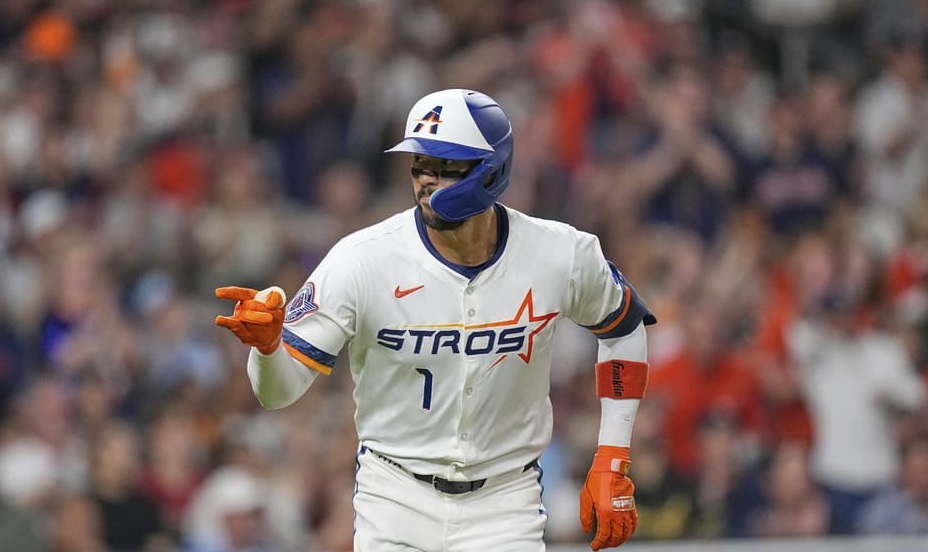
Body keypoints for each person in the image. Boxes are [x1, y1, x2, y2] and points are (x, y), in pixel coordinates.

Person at [215, 88, 656, 551]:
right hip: (395, 497)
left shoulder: (561, 253)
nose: (427, 179)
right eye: (420, 164)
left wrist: (612, 457)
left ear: (491, 170)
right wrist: (267, 349)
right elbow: (276, 392)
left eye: (446, 167)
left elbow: (623, 328)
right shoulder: (361, 260)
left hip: (506, 501)